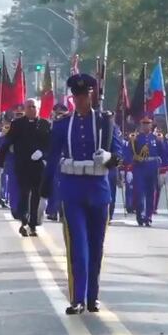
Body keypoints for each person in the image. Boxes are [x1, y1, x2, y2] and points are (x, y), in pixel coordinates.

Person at [40, 74, 123, 315]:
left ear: (92, 95)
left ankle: (92, 297)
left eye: (84, 95)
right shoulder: (63, 124)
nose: (80, 100)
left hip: (99, 189)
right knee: (78, 246)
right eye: (76, 96)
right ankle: (77, 297)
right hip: (72, 189)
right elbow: (53, 157)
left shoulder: (106, 123)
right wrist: (46, 189)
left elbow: (120, 155)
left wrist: (109, 159)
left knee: (96, 246)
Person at [0, 99, 51, 237]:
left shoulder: (45, 124)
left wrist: (42, 153)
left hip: (38, 166)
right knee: (24, 193)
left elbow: (51, 145)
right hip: (22, 165)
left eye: (34, 107)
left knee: (36, 194)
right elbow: (7, 143)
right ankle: (24, 221)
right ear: (25, 109)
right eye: (29, 107)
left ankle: (33, 224)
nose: (32, 109)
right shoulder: (17, 124)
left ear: (38, 108)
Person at [124, 115, 168, 227]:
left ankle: (148, 216)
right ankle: (140, 215)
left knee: (151, 193)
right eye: (144, 123)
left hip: (152, 168)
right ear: (141, 125)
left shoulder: (156, 138)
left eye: (148, 123)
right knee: (139, 193)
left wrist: (165, 167)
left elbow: (163, 153)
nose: (146, 125)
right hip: (139, 168)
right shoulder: (136, 138)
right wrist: (128, 169)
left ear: (151, 124)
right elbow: (129, 153)